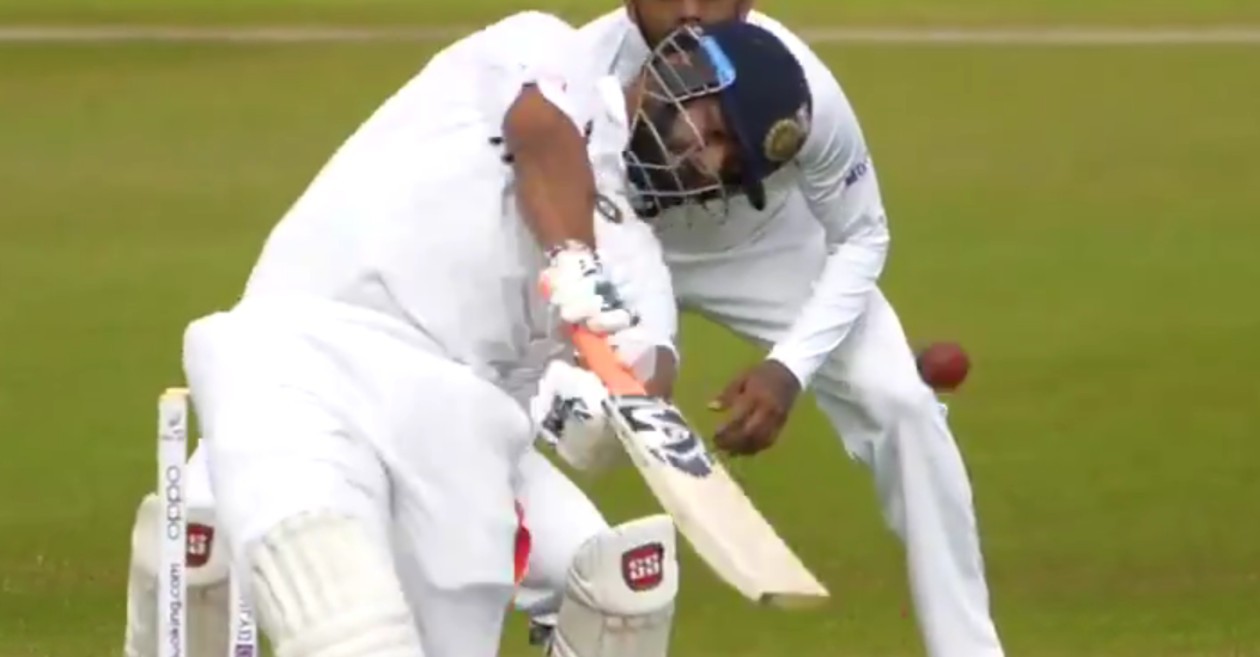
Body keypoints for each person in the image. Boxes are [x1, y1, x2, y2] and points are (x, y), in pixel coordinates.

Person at [121, 13, 815, 657]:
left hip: (459, 438)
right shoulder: (546, 49)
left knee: (607, 592)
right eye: (715, 128)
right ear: (682, 69)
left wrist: (624, 408)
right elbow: (541, 133)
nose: (707, 162)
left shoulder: (638, 265)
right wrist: (572, 256)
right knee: (346, 622)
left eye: (730, 165)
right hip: (309, 352)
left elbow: (645, 370)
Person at [514, 3, 1009, 657]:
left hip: (765, 249)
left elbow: (863, 234)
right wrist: (617, 357)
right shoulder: (576, 68)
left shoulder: (797, 87)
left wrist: (790, 366)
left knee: (902, 402)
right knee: (503, 382)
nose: (691, 10)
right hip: (607, 235)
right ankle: (544, 592)